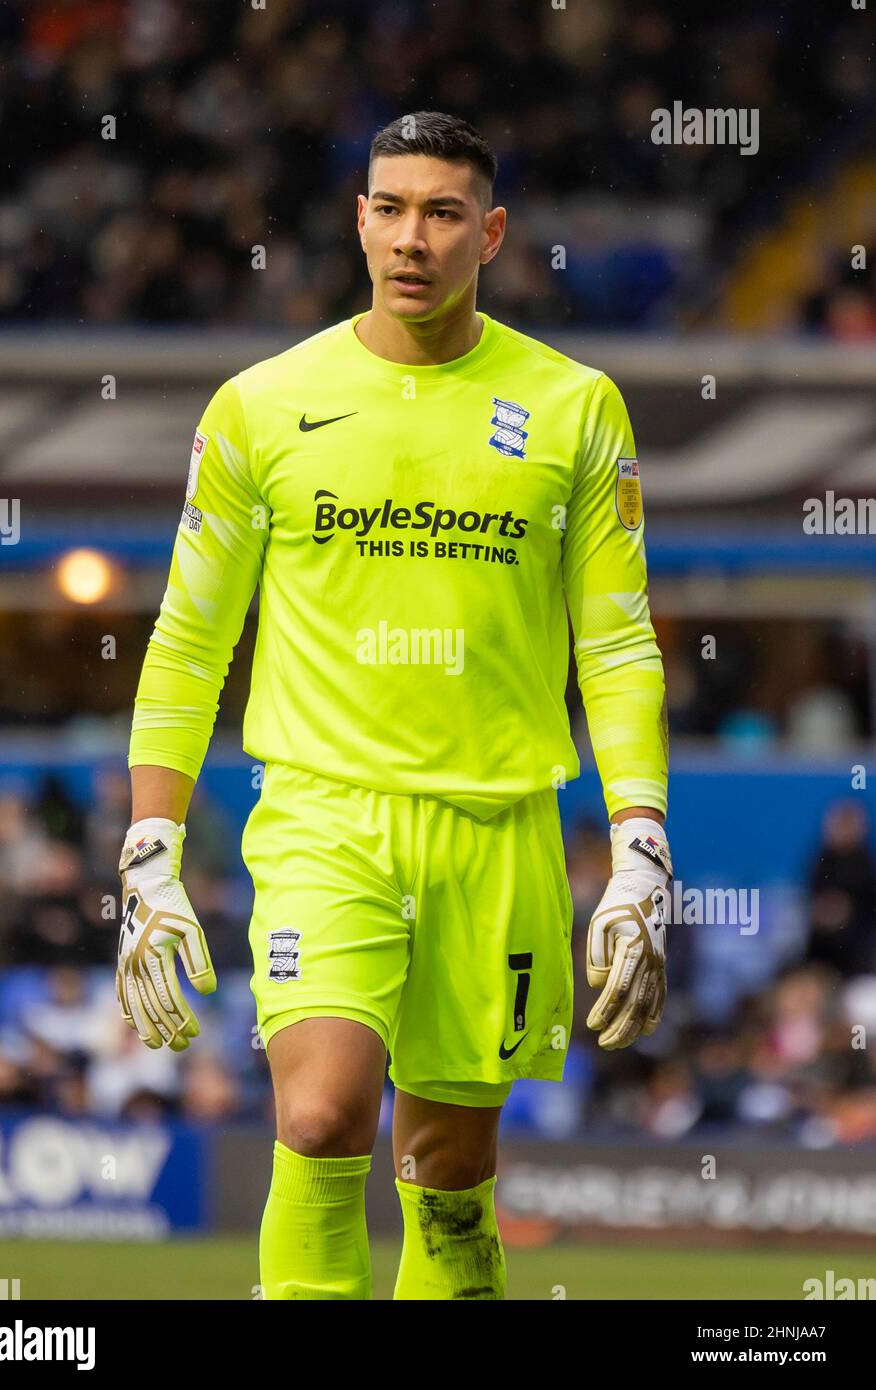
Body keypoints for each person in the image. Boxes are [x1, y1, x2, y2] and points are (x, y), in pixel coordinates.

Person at [116, 111, 671, 1300]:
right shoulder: (260, 406)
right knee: (318, 1118)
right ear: (356, 217)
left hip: (498, 826)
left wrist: (638, 847)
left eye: (440, 211)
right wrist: (149, 848)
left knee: (447, 1167)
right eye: (387, 207)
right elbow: (186, 639)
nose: (408, 237)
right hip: (326, 816)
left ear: (492, 232)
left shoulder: (575, 407)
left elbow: (616, 646)